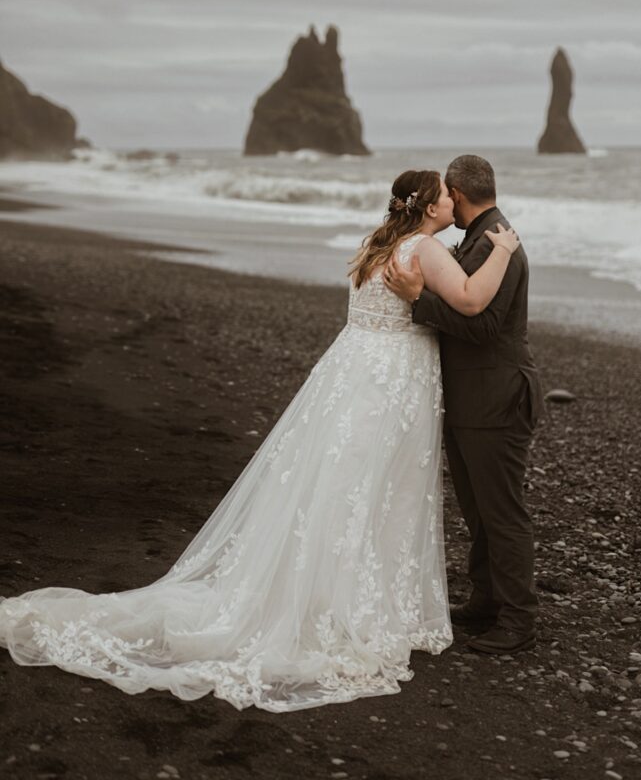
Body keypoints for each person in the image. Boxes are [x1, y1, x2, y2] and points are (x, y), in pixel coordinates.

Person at [0, 169, 518, 712]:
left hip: (351, 370)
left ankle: (324, 591)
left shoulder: (376, 243)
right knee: (379, 488)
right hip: (393, 383)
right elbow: (469, 301)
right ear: (429, 206)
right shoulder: (426, 251)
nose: (450, 201)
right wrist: (502, 250)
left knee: (337, 483)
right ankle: (354, 607)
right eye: (443, 195)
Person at [384, 155, 544, 655]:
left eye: (449, 194)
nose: (446, 202)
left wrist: (417, 300)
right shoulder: (479, 238)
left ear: (456, 191)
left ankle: (519, 619)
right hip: (473, 396)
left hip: (495, 397)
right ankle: (487, 600)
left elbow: (482, 325)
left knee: (502, 512)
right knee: (478, 510)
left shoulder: (497, 243)